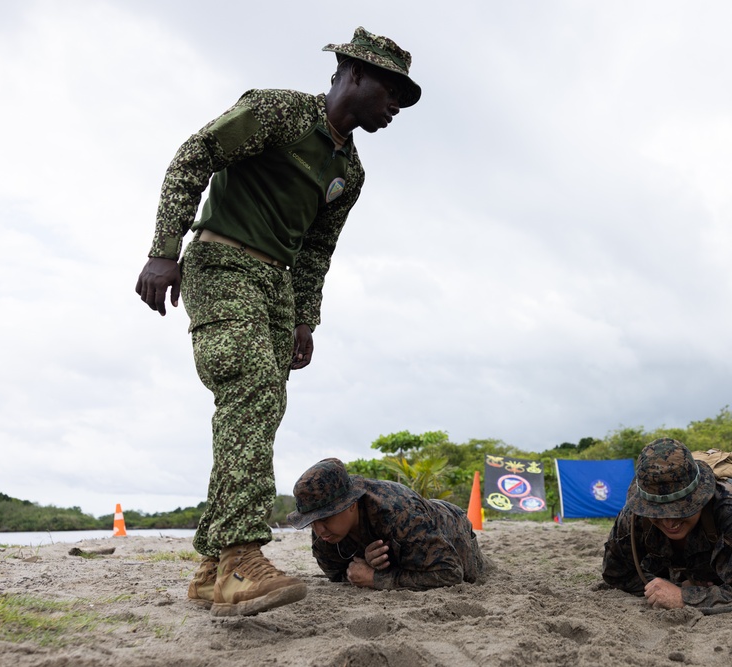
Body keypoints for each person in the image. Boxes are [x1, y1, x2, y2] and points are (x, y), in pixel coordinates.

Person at [133, 28, 422, 617]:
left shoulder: (352, 172)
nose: (395, 107)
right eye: (392, 91)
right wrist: (164, 248)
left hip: (277, 287)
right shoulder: (278, 112)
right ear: (354, 74)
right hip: (222, 262)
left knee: (261, 410)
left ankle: (212, 568)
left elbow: (317, 250)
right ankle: (241, 555)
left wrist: (304, 319)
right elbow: (195, 155)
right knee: (249, 391)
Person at [601, 439, 732, 613]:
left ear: (701, 496)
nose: (669, 521)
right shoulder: (635, 513)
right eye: (658, 512)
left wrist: (685, 597)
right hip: (695, 567)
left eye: (681, 509)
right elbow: (616, 573)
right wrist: (673, 586)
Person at [287, 458, 486, 590]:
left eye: (325, 517)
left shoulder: (398, 512)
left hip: (451, 525)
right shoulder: (325, 533)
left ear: (350, 505)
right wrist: (363, 561)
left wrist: (376, 578)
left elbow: (449, 573)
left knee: (474, 571)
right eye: (312, 521)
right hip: (415, 532)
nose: (319, 529)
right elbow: (338, 574)